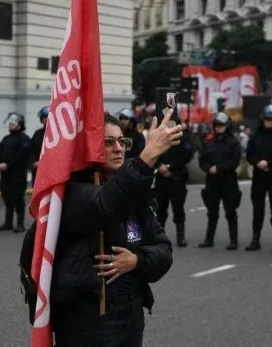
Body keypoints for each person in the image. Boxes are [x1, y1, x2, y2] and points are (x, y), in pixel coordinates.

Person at [48, 111, 180, 347]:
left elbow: (164, 251)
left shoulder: (134, 195)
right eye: (108, 143)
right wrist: (147, 157)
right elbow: (105, 204)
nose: (118, 148)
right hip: (88, 323)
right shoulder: (72, 192)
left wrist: (137, 260)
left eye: (122, 141)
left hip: (129, 318)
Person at [244, 105, 272, 253]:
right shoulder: (255, 136)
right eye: (268, 119)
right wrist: (257, 163)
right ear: (262, 120)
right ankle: (255, 240)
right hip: (259, 176)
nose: (270, 122)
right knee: (258, 209)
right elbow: (249, 154)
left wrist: (269, 163)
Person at [198, 112, 242, 250]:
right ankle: (209, 239)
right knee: (212, 211)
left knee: (230, 211)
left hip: (228, 180)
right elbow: (202, 159)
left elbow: (234, 162)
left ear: (227, 126)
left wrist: (219, 167)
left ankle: (233, 240)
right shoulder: (209, 141)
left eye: (222, 125)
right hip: (212, 180)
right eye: (217, 125)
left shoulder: (233, 143)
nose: (219, 128)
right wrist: (208, 168)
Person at [154, 125, 193, 247]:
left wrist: (170, 166)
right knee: (160, 208)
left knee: (178, 207)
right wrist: (160, 166)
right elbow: (152, 152)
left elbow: (187, 155)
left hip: (177, 176)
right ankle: (159, 236)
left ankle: (180, 237)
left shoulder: (182, 137)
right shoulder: (160, 135)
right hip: (161, 176)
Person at [0, 112, 32, 233]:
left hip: (18, 175)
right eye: (10, 124)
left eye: (13, 124)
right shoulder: (6, 139)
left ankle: (20, 223)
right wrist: (0, 163)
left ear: (19, 125)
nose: (10, 126)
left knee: (18, 198)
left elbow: (22, 156)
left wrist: (9, 164)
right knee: (7, 198)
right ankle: (8, 222)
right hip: (5, 174)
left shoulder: (24, 139)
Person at [30, 106, 48, 187]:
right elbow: (31, 149)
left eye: (47, 117)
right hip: (37, 171)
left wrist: (43, 163)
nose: (45, 119)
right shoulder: (38, 133)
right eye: (44, 117)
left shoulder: (59, 134)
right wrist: (33, 161)